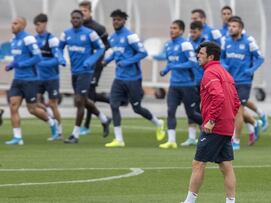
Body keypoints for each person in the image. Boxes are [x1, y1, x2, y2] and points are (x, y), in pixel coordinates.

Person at [182, 42, 240, 203]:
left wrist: (212, 120)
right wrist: (228, 117)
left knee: (198, 163)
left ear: (210, 57)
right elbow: (236, 102)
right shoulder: (226, 73)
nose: (198, 56)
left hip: (214, 127)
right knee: (225, 165)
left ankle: (189, 201)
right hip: (226, 125)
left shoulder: (210, 73)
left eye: (201, 53)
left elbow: (219, 96)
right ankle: (231, 202)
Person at [103, 9, 165, 147]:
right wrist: (106, 61)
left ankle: (158, 122)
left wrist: (128, 61)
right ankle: (119, 139)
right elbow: (116, 53)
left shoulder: (130, 36)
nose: (116, 22)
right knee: (114, 105)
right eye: (114, 19)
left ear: (124, 21)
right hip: (119, 78)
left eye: (118, 19)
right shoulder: (112, 37)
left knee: (136, 108)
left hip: (133, 79)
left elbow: (143, 53)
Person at [59, 10, 111, 144]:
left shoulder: (90, 33)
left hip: (87, 72)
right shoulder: (66, 34)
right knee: (84, 100)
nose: (75, 20)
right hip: (74, 72)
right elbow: (59, 48)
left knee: (78, 101)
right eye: (73, 18)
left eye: (78, 18)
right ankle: (104, 119)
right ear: (71, 20)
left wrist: (90, 61)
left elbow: (101, 48)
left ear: (82, 20)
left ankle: (75, 135)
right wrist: (60, 58)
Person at [4, 16, 58, 145]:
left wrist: (20, 65)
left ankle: (52, 122)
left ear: (23, 25)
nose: (12, 25)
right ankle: (18, 138)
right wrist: (12, 65)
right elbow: (18, 58)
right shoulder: (13, 40)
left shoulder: (28, 39)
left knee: (32, 109)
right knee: (13, 106)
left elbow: (37, 58)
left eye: (15, 23)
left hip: (30, 80)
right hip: (17, 79)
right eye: (12, 23)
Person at [221, 16, 264, 147]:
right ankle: (255, 123)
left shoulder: (249, 41)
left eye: (234, 26)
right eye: (229, 26)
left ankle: (236, 141)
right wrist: (224, 65)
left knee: (237, 111)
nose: (231, 28)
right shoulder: (225, 41)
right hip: (229, 81)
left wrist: (251, 69)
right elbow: (221, 57)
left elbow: (260, 58)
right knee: (230, 110)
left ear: (240, 29)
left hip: (244, 81)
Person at [159, 20, 202, 149]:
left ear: (181, 31)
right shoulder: (167, 45)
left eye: (175, 28)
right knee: (170, 111)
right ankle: (171, 140)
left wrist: (175, 66)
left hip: (188, 85)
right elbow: (170, 63)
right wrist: (165, 70)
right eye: (171, 28)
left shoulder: (185, 44)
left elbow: (193, 63)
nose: (172, 30)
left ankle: (211, 131)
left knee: (192, 114)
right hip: (174, 85)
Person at [79, 1, 110, 136]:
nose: (82, 14)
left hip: (96, 65)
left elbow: (107, 45)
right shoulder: (78, 28)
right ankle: (113, 99)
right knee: (86, 95)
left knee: (89, 94)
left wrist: (102, 58)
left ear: (90, 12)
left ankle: (86, 125)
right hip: (83, 65)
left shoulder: (98, 28)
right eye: (80, 11)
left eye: (85, 11)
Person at [33, 13, 65, 141]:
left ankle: (59, 132)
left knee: (53, 104)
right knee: (35, 103)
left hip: (52, 78)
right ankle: (52, 120)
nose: (37, 27)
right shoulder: (34, 39)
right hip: (39, 78)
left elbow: (57, 59)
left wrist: (42, 63)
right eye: (35, 25)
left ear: (44, 24)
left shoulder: (52, 40)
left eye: (39, 25)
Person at [181, 21, 206, 147]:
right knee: (191, 109)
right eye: (191, 31)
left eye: (195, 32)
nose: (192, 34)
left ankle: (205, 134)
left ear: (201, 31)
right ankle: (191, 137)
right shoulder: (187, 43)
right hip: (191, 82)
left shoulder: (206, 44)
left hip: (204, 81)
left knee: (204, 109)